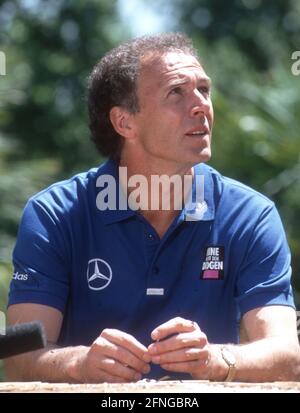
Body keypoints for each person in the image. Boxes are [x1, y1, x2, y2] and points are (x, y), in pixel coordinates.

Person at [5, 33, 300, 383]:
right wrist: (80, 364)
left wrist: (214, 360)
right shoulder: (53, 214)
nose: (201, 105)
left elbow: (288, 355)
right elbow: (18, 359)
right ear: (124, 122)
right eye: (176, 92)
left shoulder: (250, 216)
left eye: (203, 90)